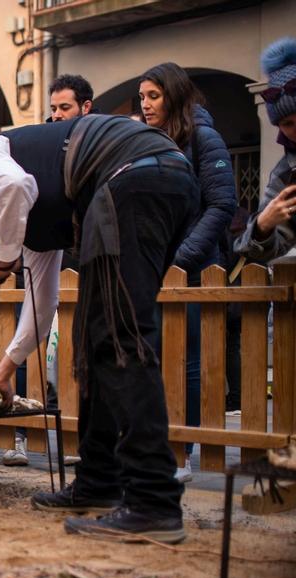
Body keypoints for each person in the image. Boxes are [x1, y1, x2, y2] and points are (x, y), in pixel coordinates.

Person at [0, 113, 199, 543]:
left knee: (121, 339)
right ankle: (100, 483)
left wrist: (3, 260)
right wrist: (5, 368)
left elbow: (13, 189)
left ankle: (154, 502)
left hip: (133, 178)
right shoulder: (39, 216)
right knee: (99, 340)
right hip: (158, 180)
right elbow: (44, 302)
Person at [139, 62, 236, 483]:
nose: (145, 104)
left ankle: (184, 453)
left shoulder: (203, 137)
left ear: (174, 95)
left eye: (153, 96)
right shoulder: (149, 141)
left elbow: (222, 204)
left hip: (194, 270)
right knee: (155, 360)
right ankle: (157, 448)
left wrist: (183, 257)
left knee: (189, 363)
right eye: (142, 97)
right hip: (156, 269)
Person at [236, 36, 296, 264]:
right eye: (287, 124)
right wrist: (263, 226)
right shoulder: (286, 175)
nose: (295, 129)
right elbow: (254, 250)